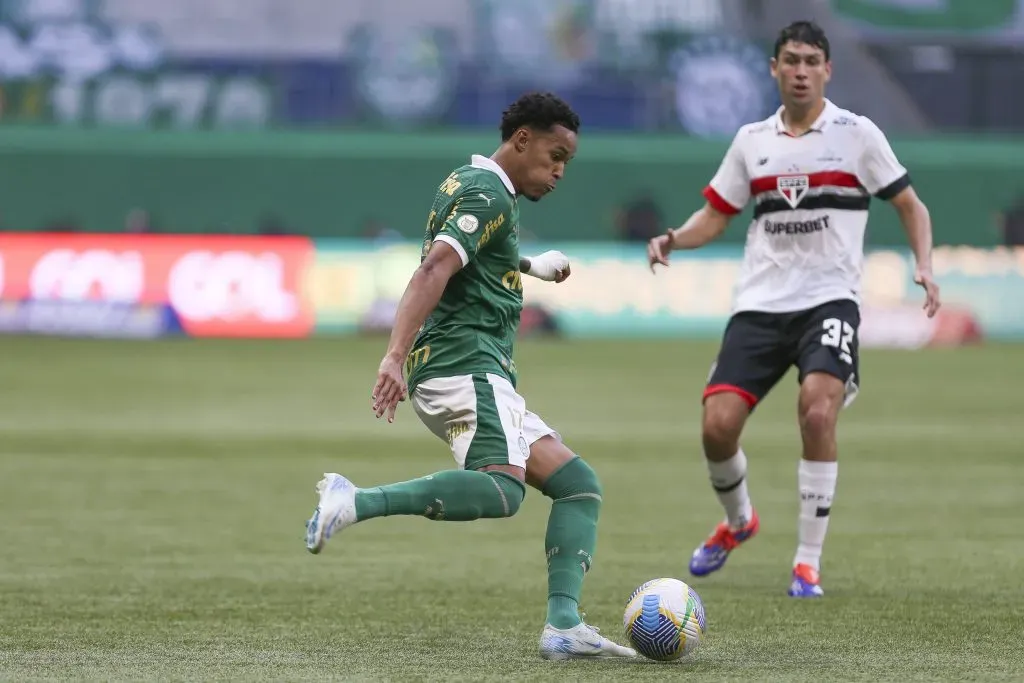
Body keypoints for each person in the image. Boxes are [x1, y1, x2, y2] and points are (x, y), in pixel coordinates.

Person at [304, 92, 636, 661]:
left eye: (568, 162)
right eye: (555, 155)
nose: (559, 171)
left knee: (578, 486)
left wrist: (530, 264)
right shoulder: (487, 195)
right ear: (522, 140)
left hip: (467, 368)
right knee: (503, 490)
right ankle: (353, 500)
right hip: (466, 363)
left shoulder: (471, 184)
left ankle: (565, 625)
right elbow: (434, 266)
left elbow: (471, 256)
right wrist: (392, 355)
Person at [647, 21, 941, 598]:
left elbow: (911, 204)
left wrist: (924, 265)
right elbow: (717, 213)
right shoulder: (752, 140)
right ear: (774, 69)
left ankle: (807, 561)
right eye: (791, 60)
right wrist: (676, 238)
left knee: (817, 412)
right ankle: (739, 522)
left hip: (829, 300)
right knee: (717, 427)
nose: (801, 71)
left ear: (827, 70)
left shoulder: (857, 135)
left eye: (811, 61)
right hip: (759, 303)